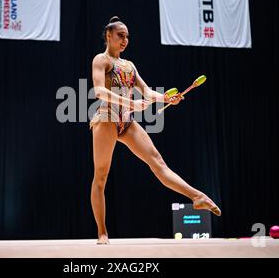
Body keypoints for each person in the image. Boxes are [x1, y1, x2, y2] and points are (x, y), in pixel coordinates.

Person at [89, 16, 221, 245]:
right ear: (108, 35)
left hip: (126, 122)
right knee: (101, 177)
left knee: (158, 163)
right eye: (120, 35)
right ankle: (102, 231)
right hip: (107, 119)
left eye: (127, 36)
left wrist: (166, 98)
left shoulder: (129, 66)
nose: (125, 40)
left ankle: (197, 197)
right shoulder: (102, 60)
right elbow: (99, 91)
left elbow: (148, 92)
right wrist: (130, 104)